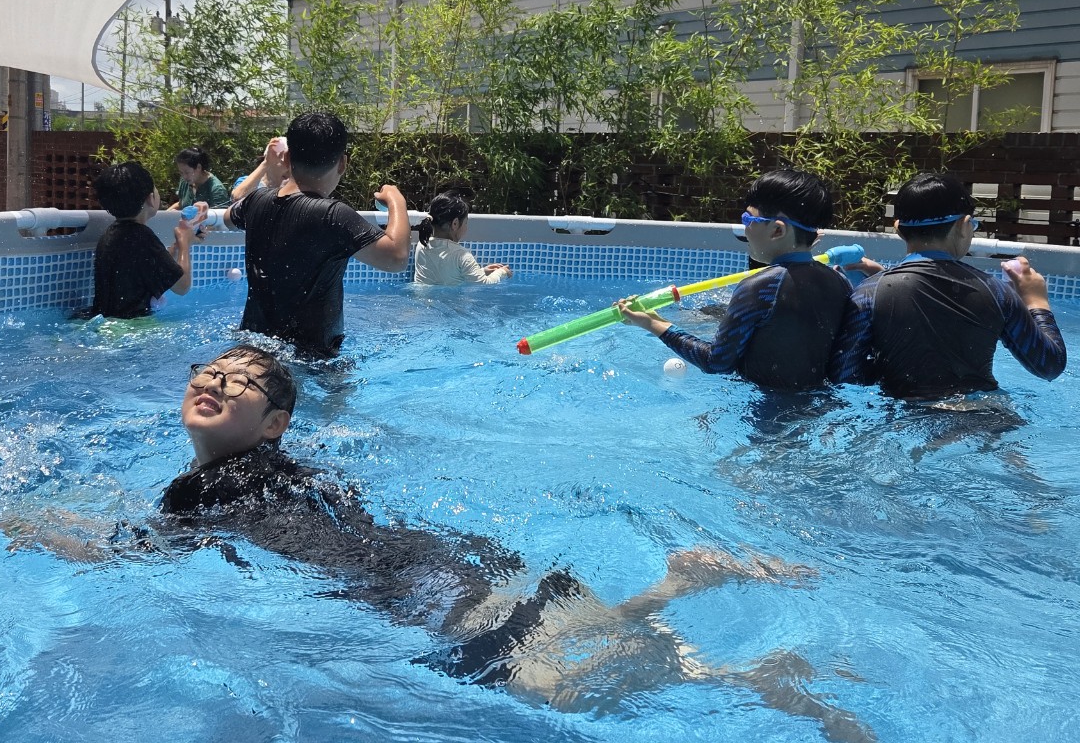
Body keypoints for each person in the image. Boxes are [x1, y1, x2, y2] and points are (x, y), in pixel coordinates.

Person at [143, 344, 870, 742]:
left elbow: (145, 551)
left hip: (414, 587)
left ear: (275, 425)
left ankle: (711, 632)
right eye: (210, 371)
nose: (217, 382)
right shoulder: (289, 471)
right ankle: (703, 623)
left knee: (557, 688)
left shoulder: (196, 490)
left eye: (238, 383)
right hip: (445, 556)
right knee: (578, 656)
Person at [830, 172, 1066, 400]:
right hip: (984, 415)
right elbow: (1049, 365)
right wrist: (1037, 301)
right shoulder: (996, 291)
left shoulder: (870, 293)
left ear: (898, 229)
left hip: (904, 417)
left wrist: (881, 278)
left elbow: (845, 376)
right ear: (964, 225)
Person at [617, 168, 852, 390]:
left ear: (777, 231)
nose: (745, 229)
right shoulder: (839, 281)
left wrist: (653, 323)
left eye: (748, 220)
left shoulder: (760, 287)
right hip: (819, 407)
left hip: (762, 409)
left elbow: (717, 363)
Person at [228, 112, 410, 359]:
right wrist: (397, 201)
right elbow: (397, 258)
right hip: (313, 360)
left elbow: (228, 218)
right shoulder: (333, 215)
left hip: (250, 349)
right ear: (342, 163)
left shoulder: (256, 200)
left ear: (287, 158)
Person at [84, 161, 205, 319]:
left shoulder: (111, 234)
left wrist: (177, 246)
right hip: (132, 325)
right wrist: (184, 243)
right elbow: (183, 286)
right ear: (150, 198)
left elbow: (151, 266)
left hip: (106, 320)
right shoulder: (143, 237)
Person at [413, 189, 511, 285]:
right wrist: (502, 272)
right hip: (449, 297)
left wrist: (481, 271)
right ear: (455, 224)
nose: (466, 227)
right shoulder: (461, 255)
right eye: (466, 223)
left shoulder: (422, 245)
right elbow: (484, 283)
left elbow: (444, 274)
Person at [230, 136, 288, 203]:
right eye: (286, 162)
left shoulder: (292, 186)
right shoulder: (247, 181)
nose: (289, 167)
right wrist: (266, 163)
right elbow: (238, 198)